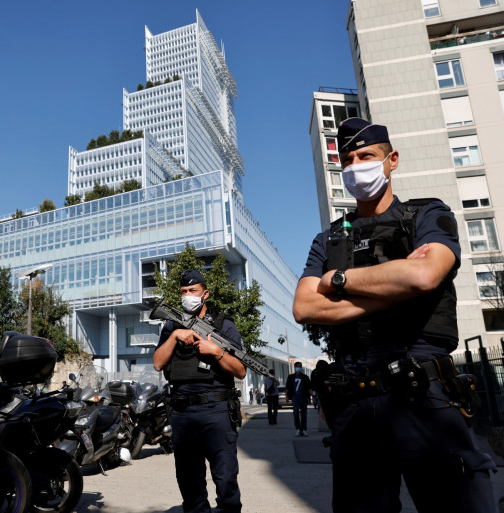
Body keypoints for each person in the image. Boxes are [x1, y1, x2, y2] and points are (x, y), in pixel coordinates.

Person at [293, 118, 496, 512]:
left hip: (421, 391)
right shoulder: (329, 238)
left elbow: (424, 274)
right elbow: (304, 307)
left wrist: (335, 281)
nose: (356, 167)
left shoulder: (426, 214)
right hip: (353, 400)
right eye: (348, 160)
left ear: (392, 160)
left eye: (366, 156)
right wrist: (396, 285)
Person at [154, 269, 246, 513]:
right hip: (182, 412)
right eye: (183, 292)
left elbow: (241, 370)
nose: (187, 296)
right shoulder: (171, 325)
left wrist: (216, 352)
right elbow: (158, 363)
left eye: (192, 291)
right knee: (190, 484)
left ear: (205, 294)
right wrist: (174, 336)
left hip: (216, 410)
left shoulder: (223, 325)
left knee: (226, 480)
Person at [285, 361, 312, 436]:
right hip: (295, 397)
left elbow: (309, 388)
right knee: (296, 412)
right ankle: (297, 428)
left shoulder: (305, 377)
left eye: (300, 366)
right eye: (297, 366)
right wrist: (286, 396)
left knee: (304, 414)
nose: (299, 368)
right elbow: (287, 387)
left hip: (303, 397)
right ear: (295, 367)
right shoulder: (291, 377)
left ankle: (304, 429)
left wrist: (312, 397)